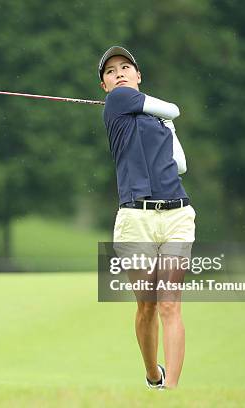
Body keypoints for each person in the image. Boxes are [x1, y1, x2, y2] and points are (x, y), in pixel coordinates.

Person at [99, 46, 196, 389]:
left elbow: (180, 164)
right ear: (105, 87)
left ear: (139, 75)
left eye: (126, 67)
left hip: (176, 214)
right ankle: (153, 373)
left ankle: (172, 392)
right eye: (111, 72)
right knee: (147, 306)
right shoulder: (116, 103)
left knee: (169, 304)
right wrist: (167, 117)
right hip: (135, 218)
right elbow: (175, 108)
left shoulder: (155, 118)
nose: (120, 73)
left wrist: (164, 126)